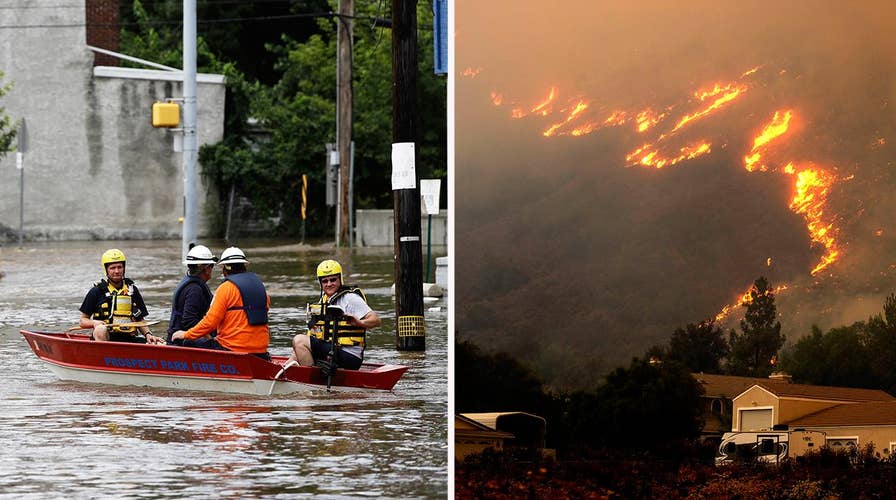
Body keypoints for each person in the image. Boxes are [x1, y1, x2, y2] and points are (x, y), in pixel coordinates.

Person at [171, 247, 270, 359]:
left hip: (231, 349)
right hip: (261, 351)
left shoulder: (225, 289)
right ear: (244, 266)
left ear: (224, 269)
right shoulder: (262, 289)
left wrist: (186, 334)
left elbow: (210, 322)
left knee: (187, 342)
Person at [291, 259, 381, 371]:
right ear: (320, 283)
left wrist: (360, 322)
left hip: (349, 356)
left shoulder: (350, 298)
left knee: (299, 341)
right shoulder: (324, 300)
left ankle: (312, 377)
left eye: (333, 280)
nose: (329, 284)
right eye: (325, 281)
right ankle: (282, 372)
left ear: (340, 279)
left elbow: (376, 320)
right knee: (297, 350)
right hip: (332, 350)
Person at [79, 248, 164, 344]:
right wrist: (94, 323)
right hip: (105, 337)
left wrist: (148, 334)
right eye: (112, 268)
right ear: (106, 270)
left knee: (159, 344)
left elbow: (140, 319)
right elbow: (82, 321)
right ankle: (104, 353)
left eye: (119, 267)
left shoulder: (132, 290)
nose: (117, 271)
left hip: (129, 338)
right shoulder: (96, 291)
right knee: (100, 329)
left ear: (124, 268)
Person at [166, 244, 217, 345]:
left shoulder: (191, 283)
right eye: (212, 266)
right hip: (182, 342)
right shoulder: (194, 290)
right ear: (206, 268)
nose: (212, 269)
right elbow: (189, 321)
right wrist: (210, 338)